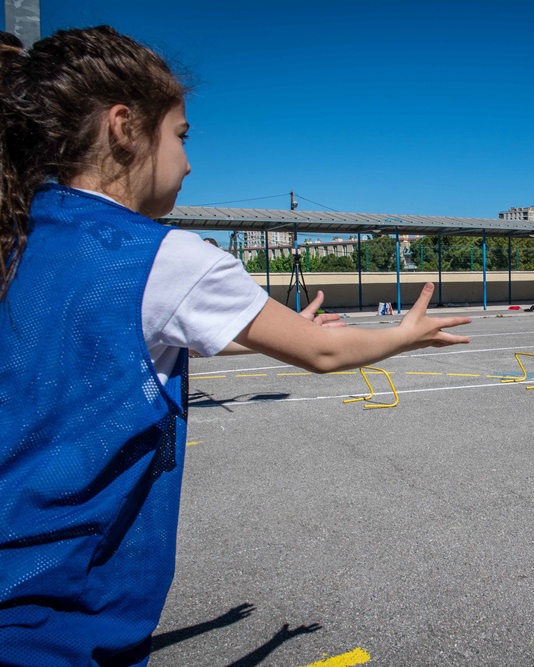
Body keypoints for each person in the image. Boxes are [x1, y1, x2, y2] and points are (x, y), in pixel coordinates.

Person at [0, 27, 471, 666]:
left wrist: (255, 337)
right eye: (182, 135)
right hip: (63, 613)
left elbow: (116, 340)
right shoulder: (161, 255)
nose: (189, 161)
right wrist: (404, 334)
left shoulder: (21, 230)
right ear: (123, 128)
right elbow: (322, 354)